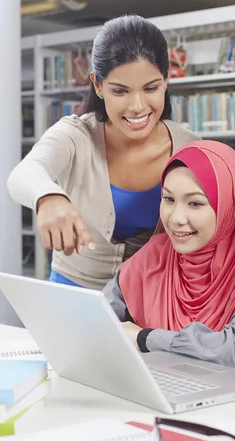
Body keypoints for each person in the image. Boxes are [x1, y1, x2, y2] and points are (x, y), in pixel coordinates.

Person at [7, 15, 198, 290]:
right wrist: (48, 197)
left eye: (151, 88)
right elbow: (24, 174)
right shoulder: (76, 135)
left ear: (166, 81)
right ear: (98, 85)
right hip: (75, 295)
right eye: (120, 91)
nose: (137, 106)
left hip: (157, 300)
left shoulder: (191, 147)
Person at [104, 140, 235, 373]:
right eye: (169, 199)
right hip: (161, 389)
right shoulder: (155, 254)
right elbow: (98, 318)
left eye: (195, 203)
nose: (176, 218)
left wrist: (146, 338)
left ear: (229, 204)